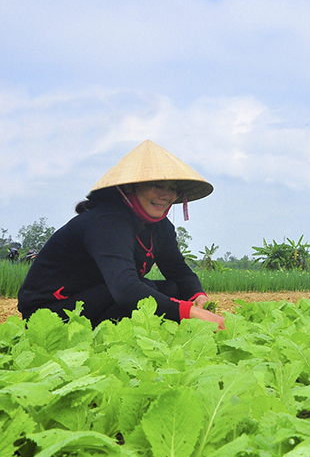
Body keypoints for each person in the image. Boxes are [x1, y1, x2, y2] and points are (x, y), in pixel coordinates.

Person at [17, 139, 226, 330]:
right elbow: (125, 288)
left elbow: (178, 271)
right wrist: (188, 313)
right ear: (129, 188)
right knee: (145, 290)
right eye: (156, 185)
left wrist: (198, 296)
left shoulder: (161, 227)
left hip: (97, 296)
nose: (166, 195)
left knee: (172, 289)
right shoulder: (107, 221)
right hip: (49, 313)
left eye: (172, 188)